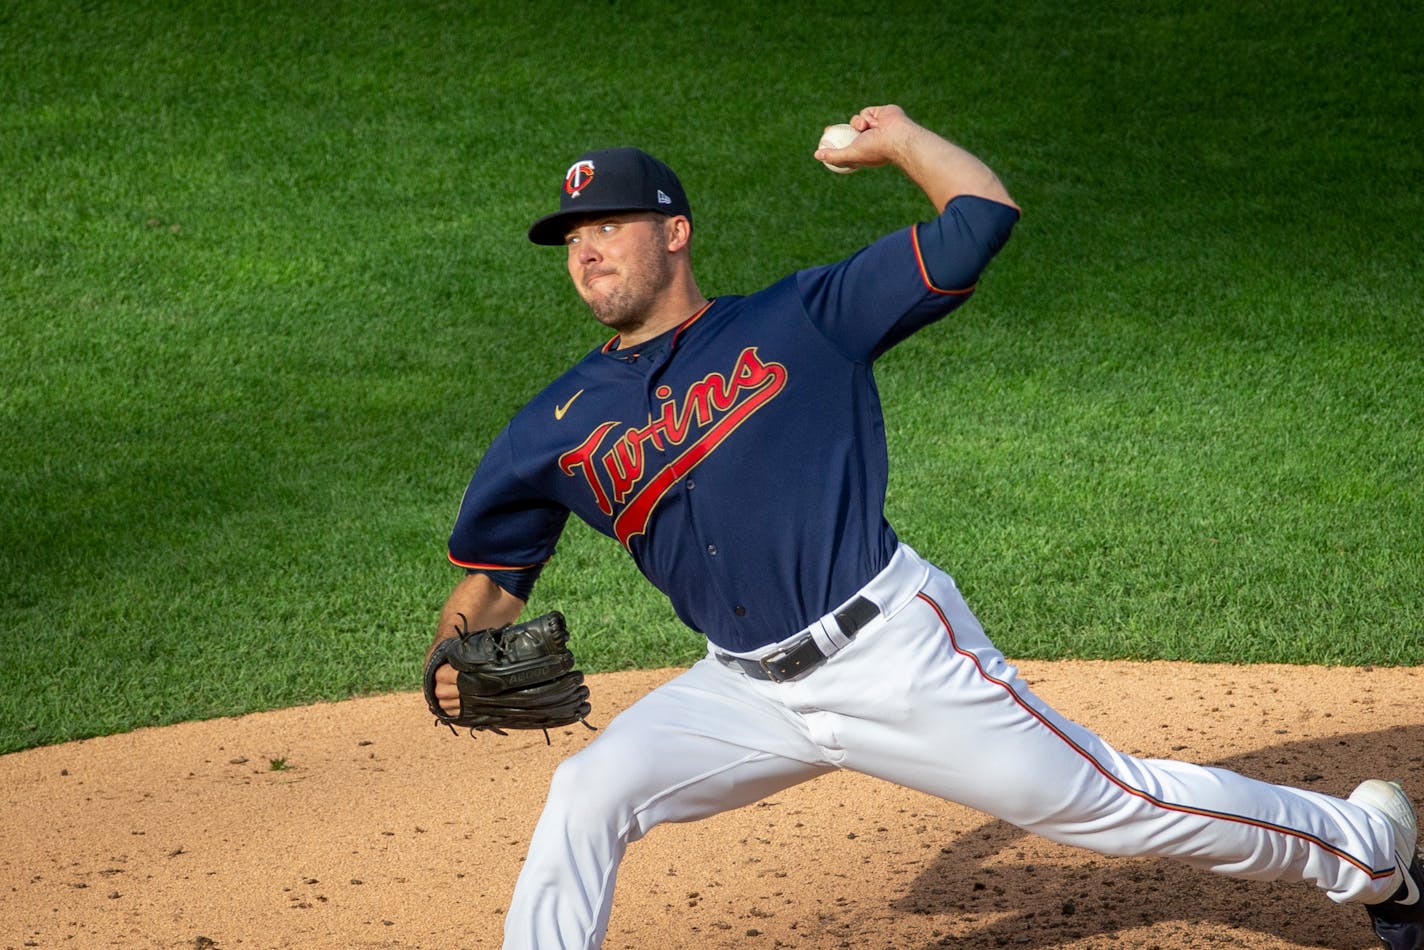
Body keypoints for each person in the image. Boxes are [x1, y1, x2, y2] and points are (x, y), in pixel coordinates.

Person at [428, 104, 1423, 949]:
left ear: (674, 231)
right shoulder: (552, 424)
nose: (587, 248)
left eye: (607, 224)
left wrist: (900, 137)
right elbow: (490, 572)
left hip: (893, 657)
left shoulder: (801, 316)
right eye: (571, 237)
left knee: (1114, 805)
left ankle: (1367, 845)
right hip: (737, 688)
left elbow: (978, 216)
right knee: (587, 792)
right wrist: (449, 647)